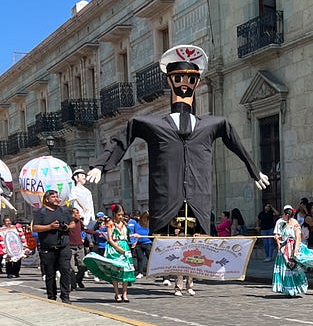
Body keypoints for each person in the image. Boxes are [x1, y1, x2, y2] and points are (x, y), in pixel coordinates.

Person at [87, 44, 269, 237]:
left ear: (197, 82)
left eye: (191, 78)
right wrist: (101, 165)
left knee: (198, 259)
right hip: (165, 205)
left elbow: (235, 142)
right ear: (170, 80)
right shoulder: (154, 125)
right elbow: (123, 137)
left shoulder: (212, 125)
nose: (184, 83)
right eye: (178, 78)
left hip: (198, 205)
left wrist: (254, 170)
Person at [32, 189, 75, 303]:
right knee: (50, 274)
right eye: (53, 197)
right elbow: (35, 228)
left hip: (63, 247)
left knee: (65, 271)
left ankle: (65, 296)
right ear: (47, 199)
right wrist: (50, 227)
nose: (57, 199)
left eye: (57, 196)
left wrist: (67, 227)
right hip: (48, 248)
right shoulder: (41, 212)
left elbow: (73, 223)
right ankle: (51, 296)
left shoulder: (64, 210)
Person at [272, 205, 308, 297]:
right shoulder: (279, 222)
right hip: (284, 249)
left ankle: (295, 289)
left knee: (294, 268)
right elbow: (278, 235)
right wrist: (279, 244)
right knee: (285, 269)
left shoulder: (295, 222)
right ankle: (287, 290)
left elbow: (298, 236)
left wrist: (295, 250)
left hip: (292, 247)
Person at [69, 207, 86, 290]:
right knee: (71, 267)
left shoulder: (79, 222)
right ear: (72, 214)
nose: (78, 215)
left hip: (80, 246)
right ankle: (72, 285)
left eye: (78, 213)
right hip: (70, 247)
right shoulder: (69, 222)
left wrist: (97, 233)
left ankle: (78, 280)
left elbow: (85, 229)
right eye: (76, 213)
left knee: (82, 265)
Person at [131, 211, 152, 278]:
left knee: (150, 258)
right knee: (140, 258)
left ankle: (151, 271)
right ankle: (140, 272)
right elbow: (135, 232)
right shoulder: (137, 224)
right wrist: (135, 241)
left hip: (147, 242)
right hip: (139, 243)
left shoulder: (149, 224)